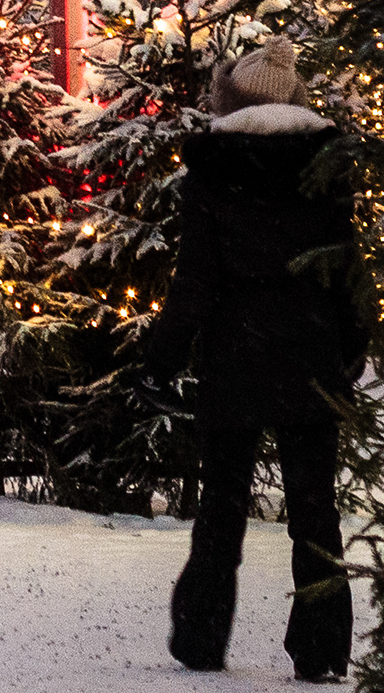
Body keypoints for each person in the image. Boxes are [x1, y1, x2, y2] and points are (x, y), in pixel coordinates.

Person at [140, 37, 361, 683]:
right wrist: (352, 347)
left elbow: (195, 282)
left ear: (233, 99)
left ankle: (202, 636)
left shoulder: (215, 168)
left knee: (222, 503)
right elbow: (345, 266)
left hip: (235, 358)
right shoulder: (324, 164)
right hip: (310, 357)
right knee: (315, 508)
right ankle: (321, 648)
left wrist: (161, 361)